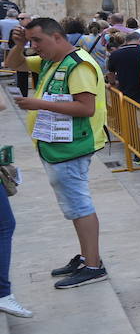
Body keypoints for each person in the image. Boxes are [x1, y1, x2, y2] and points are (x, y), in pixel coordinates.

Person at [5, 17, 109, 288]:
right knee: (74, 205)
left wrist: (37, 104)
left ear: (57, 37)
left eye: (37, 40)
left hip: (72, 145)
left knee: (79, 205)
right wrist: (18, 44)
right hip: (57, 144)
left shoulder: (78, 65)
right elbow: (13, 64)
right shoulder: (53, 60)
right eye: (31, 41)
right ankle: (88, 256)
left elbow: (85, 107)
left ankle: (94, 265)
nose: (34, 47)